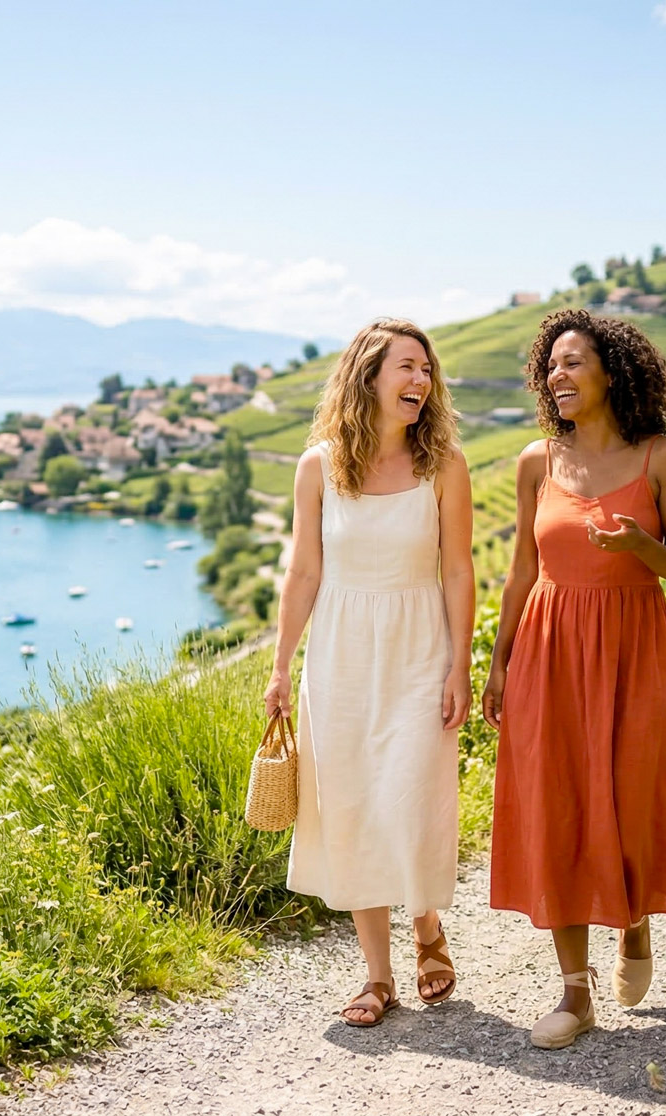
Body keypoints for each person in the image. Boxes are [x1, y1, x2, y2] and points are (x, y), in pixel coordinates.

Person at [481, 308, 666, 1050]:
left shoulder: (663, 457)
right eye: (551, 366)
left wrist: (643, 543)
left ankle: (633, 920)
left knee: (630, 795)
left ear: (613, 371)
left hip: (633, 647)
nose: (558, 376)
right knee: (560, 805)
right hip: (549, 648)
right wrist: (499, 662)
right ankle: (575, 994)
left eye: (573, 362)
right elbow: (521, 572)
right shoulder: (535, 461)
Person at [264, 317, 475, 1028]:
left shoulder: (444, 465)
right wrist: (280, 667)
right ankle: (379, 976)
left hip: (420, 650)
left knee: (408, 797)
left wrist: (460, 665)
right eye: (406, 367)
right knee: (354, 804)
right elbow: (303, 572)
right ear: (369, 377)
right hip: (342, 657)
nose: (420, 380)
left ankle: (427, 923)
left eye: (426, 369)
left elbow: (457, 569)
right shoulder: (318, 467)